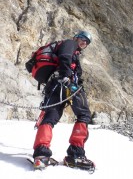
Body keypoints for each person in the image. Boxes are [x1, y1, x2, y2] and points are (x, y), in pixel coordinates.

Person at [32, 30, 95, 171]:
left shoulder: (72, 50)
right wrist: (66, 76)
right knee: (84, 115)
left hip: (54, 84)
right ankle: (75, 154)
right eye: (83, 39)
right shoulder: (70, 43)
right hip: (66, 84)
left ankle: (41, 155)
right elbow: (65, 56)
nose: (84, 42)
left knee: (50, 116)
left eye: (87, 42)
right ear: (76, 37)